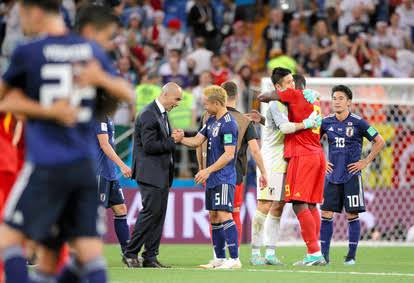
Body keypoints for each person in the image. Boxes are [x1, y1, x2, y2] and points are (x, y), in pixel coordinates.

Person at [0, 2, 133, 283]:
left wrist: (47, 111)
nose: (21, 21)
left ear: (35, 11)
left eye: (22, 14)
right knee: (89, 254)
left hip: (44, 165)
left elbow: (4, 98)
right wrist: (100, 79)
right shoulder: (91, 51)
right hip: (84, 167)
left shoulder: (30, 51)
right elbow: (128, 93)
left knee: (7, 240)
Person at [248, 74, 321, 266]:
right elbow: (286, 128)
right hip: (272, 161)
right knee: (265, 204)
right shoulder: (276, 104)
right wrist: (308, 123)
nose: (292, 85)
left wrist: (264, 120)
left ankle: (271, 253)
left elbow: (279, 127)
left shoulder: (292, 103)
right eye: (288, 83)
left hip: (289, 160)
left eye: (293, 83)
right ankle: (255, 252)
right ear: (279, 86)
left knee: (279, 206)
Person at [197, 81, 268, 262]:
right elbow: (255, 150)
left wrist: (201, 168)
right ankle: (231, 257)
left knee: (215, 214)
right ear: (236, 96)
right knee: (232, 213)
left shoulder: (208, 116)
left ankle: (219, 255)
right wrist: (263, 173)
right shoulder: (245, 121)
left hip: (209, 170)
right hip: (233, 173)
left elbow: (198, 145)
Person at [174, 85, 241, 269]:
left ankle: (234, 259)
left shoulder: (229, 124)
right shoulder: (211, 120)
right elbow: (197, 140)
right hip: (212, 178)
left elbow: (228, 154)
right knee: (213, 216)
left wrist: (207, 170)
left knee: (224, 214)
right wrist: (181, 139)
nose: (204, 106)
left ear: (217, 103)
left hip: (224, 177)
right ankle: (219, 258)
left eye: (206, 103)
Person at [320, 85, 385, 265]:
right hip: (332, 175)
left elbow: (379, 141)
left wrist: (366, 161)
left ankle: (351, 256)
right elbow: (312, 142)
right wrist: (322, 161)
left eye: (341, 98)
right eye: (334, 98)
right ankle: (324, 256)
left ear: (349, 102)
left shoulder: (359, 122)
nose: (337, 101)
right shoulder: (325, 122)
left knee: (352, 215)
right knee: (326, 213)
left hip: (351, 176)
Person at [122, 82, 183, 268]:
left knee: (158, 215)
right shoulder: (149, 114)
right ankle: (130, 253)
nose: (178, 103)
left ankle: (150, 256)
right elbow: (150, 147)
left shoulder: (161, 114)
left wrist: (172, 138)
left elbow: (158, 142)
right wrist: (173, 140)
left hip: (160, 173)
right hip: (150, 173)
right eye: (177, 98)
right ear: (165, 95)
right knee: (150, 213)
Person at [95, 113, 131, 254]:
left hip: (110, 173)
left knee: (121, 209)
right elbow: (104, 144)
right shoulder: (99, 116)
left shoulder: (107, 117)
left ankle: (127, 253)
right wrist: (122, 165)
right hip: (99, 172)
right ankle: (89, 255)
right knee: (96, 214)